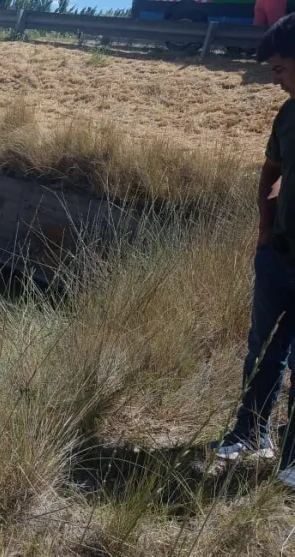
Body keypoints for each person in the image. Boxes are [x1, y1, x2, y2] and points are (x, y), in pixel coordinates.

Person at [209, 15, 295, 488]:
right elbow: (270, 170)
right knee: (261, 350)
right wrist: (265, 229)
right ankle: (251, 433)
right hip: (278, 258)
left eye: (279, 68)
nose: (273, 79)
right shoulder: (287, 115)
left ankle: (292, 458)